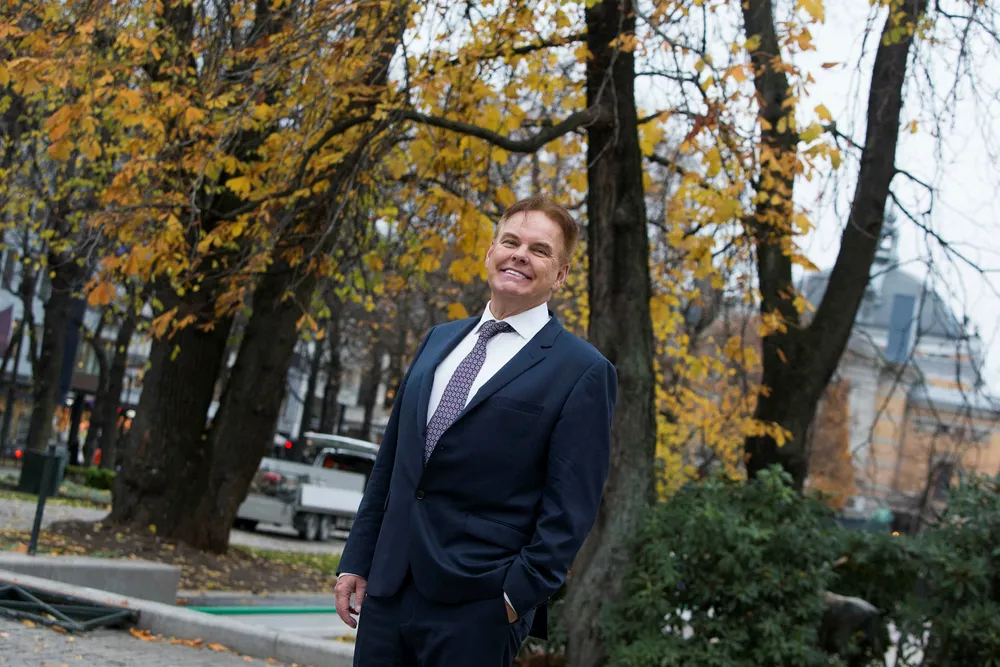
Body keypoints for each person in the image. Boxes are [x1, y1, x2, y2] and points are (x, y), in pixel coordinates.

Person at [335, 194, 617, 666]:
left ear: (561, 275)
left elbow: (571, 508)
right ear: (490, 253)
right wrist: (357, 560)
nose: (520, 255)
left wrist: (514, 597)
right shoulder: (438, 340)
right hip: (387, 592)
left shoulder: (582, 371)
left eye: (540, 250)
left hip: (479, 605)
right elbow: (391, 464)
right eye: (510, 242)